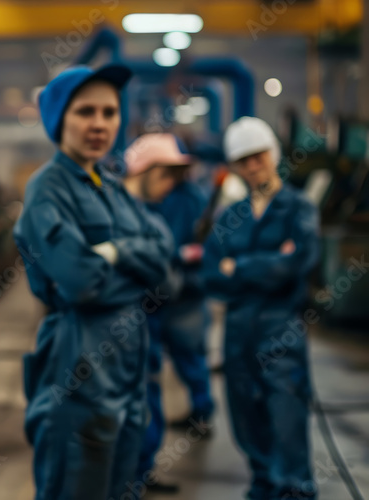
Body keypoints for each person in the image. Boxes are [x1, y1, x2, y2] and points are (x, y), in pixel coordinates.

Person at [13, 64, 173, 499]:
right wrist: (138, 271)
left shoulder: (112, 187)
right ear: (60, 118)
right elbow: (81, 281)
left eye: (109, 111)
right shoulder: (48, 189)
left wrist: (117, 252)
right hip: (77, 365)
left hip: (128, 369)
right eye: (86, 111)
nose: (99, 123)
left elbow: (167, 266)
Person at [202, 116, 319, 500]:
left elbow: (298, 263)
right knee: (244, 414)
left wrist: (238, 266)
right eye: (244, 160)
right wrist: (268, 262)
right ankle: (264, 484)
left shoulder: (298, 208)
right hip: (237, 330)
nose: (254, 166)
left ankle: (295, 489)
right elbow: (210, 275)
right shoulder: (229, 217)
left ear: (274, 153)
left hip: (280, 327)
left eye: (259, 155)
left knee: (285, 412)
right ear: (234, 166)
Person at [123, 133, 215, 495]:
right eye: (165, 173)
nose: (170, 183)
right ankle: (131, 475)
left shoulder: (187, 199)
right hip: (136, 315)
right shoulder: (124, 209)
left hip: (178, 298)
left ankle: (141, 471)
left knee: (180, 361)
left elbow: (174, 256)